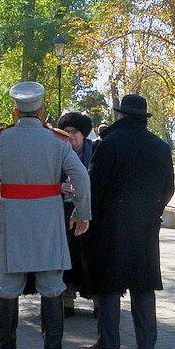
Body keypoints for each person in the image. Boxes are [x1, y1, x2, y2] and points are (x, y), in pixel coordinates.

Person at [0, 82, 91, 349]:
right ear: (42, 110)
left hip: (11, 219)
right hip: (48, 220)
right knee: (51, 286)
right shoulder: (58, 141)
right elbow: (81, 178)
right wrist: (81, 212)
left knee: (9, 286)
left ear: (15, 112)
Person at [79, 94, 174, 349]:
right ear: (143, 118)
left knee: (110, 282)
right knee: (143, 281)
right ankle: (147, 341)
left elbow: (94, 186)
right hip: (145, 225)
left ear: (120, 115)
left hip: (112, 224)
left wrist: (89, 215)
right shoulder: (161, 147)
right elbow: (169, 188)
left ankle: (109, 343)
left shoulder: (110, 143)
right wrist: (154, 211)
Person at [56, 111, 97, 318]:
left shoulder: (96, 151)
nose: (70, 136)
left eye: (74, 132)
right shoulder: (56, 152)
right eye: (66, 132)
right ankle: (66, 300)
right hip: (63, 214)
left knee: (93, 258)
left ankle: (99, 300)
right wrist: (58, 186)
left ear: (83, 134)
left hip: (91, 215)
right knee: (67, 257)